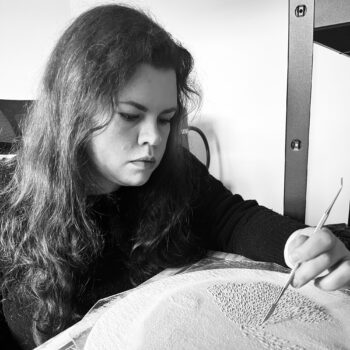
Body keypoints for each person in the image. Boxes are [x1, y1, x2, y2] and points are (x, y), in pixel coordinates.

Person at [0, 4, 349, 350]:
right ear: (72, 110)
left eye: (165, 118)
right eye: (130, 116)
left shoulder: (173, 168)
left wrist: (296, 244)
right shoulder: (9, 198)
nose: (154, 138)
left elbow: (232, 218)